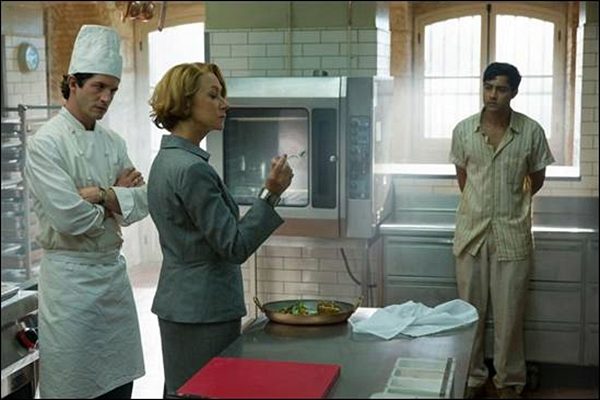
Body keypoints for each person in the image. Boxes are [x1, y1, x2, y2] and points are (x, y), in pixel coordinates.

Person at [147, 62, 293, 397]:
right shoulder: (193, 170)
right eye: (213, 96)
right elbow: (234, 246)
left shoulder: (166, 160)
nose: (224, 104)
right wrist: (270, 193)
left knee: (184, 390)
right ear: (185, 103)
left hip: (180, 303)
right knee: (208, 391)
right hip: (204, 308)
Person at [24, 25, 148, 399]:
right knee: (73, 386)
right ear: (73, 83)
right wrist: (115, 201)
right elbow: (69, 219)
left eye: (113, 89)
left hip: (112, 280)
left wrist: (98, 195)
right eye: (98, 86)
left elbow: (142, 202)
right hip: (70, 286)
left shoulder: (114, 142)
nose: (106, 97)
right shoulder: (46, 144)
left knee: (119, 386)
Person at [449, 62, 555, 399]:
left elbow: (536, 180)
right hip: (472, 233)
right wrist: (482, 205)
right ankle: (471, 377)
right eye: (488, 87)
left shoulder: (531, 132)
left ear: (514, 92)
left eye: (501, 89)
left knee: (510, 316)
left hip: (512, 233)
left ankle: (508, 380)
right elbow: (464, 179)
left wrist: (509, 204)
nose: (493, 95)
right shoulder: (464, 131)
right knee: (470, 313)